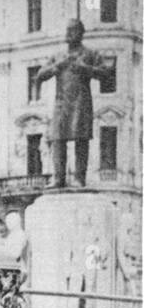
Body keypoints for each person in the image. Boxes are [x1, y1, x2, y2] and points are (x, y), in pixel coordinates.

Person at [36, 18, 111, 189]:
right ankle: (59, 178)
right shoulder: (58, 56)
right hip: (61, 103)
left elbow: (106, 74)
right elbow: (40, 74)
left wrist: (85, 69)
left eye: (73, 30)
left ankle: (79, 178)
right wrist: (56, 67)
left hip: (81, 103)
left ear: (81, 33)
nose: (68, 34)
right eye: (67, 30)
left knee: (81, 140)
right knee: (57, 139)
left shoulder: (90, 54)